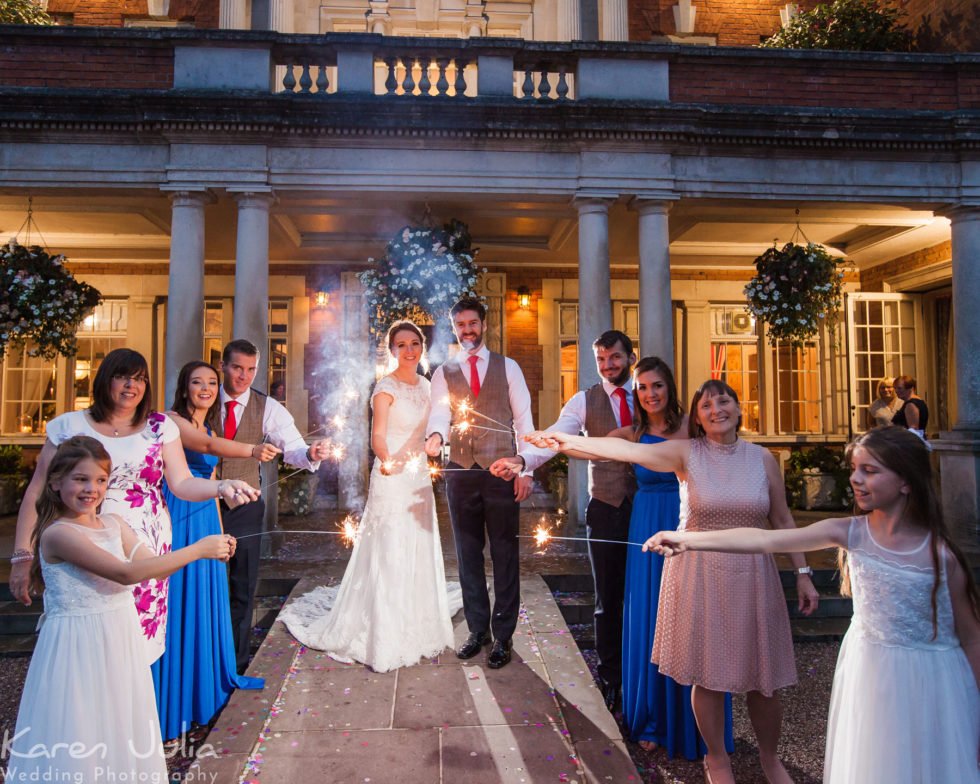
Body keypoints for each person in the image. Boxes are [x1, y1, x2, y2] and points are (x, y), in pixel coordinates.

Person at [647, 426, 980, 784]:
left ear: (906, 481)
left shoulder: (941, 556)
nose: (856, 479)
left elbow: (972, 638)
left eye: (870, 471)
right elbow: (763, 538)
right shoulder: (849, 531)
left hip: (932, 682)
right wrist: (688, 539)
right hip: (870, 673)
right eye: (854, 469)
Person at [525, 379, 820, 784]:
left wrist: (803, 574)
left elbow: (783, 521)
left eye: (724, 401)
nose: (717, 409)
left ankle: (770, 759)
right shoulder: (687, 453)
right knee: (709, 675)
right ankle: (716, 758)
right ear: (696, 416)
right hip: (701, 573)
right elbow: (627, 450)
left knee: (765, 681)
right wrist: (563, 441)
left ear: (738, 408)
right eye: (707, 404)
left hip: (754, 575)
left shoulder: (762, 459)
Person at [7, 436, 236, 784]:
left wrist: (205, 547)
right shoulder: (58, 535)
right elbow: (125, 573)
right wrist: (199, 549)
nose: (91, 489)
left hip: (118, 637)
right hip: (77, 646)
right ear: (55, 483)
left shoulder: (115, 524)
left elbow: (153, 565)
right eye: (80, 479)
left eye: (100, 480)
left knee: (117, 722)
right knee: (80, 727)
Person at [8, 348, 258, 664]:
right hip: (79, 540)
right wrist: (22, 555)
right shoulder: (69, 426)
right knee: (87, 638)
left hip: (145, 543)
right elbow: (37, 490)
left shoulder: (159, 427)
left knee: (138, 646)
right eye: (122, 376)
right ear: (104, 381)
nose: (131, 386)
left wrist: (221, 487)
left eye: (139, 379)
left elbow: (182, 483)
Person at [280, 321, 462, 671]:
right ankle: (385, 630)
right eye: (401, 344)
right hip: (392, 477)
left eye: (414, 344)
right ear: (392, 349)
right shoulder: (385, 387)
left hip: (419, 476)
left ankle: (416, 619)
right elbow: (377, 436)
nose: (409, 350)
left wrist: (436, 443)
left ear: (421, 347)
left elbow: (439, 424)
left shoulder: (428, 385)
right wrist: (388, 460)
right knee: (390, 548)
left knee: (418, 543)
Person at [493, 329, 638, 708]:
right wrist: (524, 460)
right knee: (608, 598)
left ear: (630, 358)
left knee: (648, 594)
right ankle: (612, 679)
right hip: (606, 508)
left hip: (649, 508)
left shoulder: (650, 395)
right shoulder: (584, 401)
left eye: (615, 358)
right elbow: (558, 436)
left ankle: (647, 675)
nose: (608, 366)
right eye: (602, 359)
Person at [607, 357, 733, 759]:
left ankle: (697, 723)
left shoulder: (692, 428)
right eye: (642, 387)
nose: (650, 394)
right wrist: (540, 450)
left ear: (670, 387)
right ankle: (652, 721)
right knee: (649, 617)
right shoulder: (631, 432)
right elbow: (590, 446)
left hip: (686, 522)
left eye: (657, 385)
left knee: (692, 616)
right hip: (646, 525)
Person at [154, 360, 279, 741]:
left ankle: (205, 689)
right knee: (180, 601)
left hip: (207, 515)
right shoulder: (170, 421)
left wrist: (222, 532)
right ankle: (177, 694)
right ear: (184, 386)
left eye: (211, 382)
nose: (206, 388)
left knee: (211, 596)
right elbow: (207, 448)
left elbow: (208, 474)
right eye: (197, 382)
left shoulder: (205, 424)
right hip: (181, 517)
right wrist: (253, 450)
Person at [424, 297, 535, 669]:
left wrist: (528, 470)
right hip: (460, 471)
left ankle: (503, 635)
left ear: (483, 325)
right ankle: (477, 631)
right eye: (461, 325)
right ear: (454, 328)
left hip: (503, 471)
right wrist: (437, 436)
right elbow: (439, 411)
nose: (467, 330)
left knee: (504, 554)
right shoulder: (444, 372)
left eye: (473, 324)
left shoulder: (509, 368)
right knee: (467, 554)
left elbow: (524, 422)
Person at [218, 338, 331, 672]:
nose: (243, 376)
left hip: (245, 505)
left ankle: (236, 664)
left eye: (250, 370)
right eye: (237, 367)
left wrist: (309, 454)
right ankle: (203, 661)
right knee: (203, 584)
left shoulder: (266, 407)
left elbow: (293, 446)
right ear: (223, 365)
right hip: (201, 505)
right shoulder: (204, 397)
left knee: (243, 585)